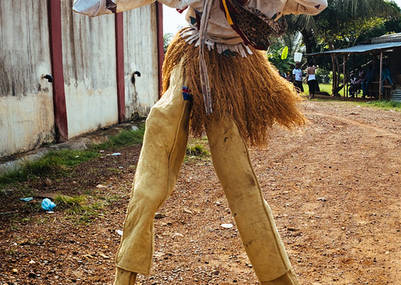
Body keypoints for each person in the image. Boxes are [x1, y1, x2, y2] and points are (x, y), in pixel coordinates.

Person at [74, 1, 327, 284]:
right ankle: (125, 277)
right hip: (193, 60)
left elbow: (316, 4)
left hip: (232, 70)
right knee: (154, 161)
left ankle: (281, 279)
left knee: (241, 183)